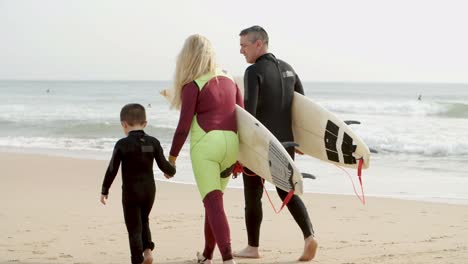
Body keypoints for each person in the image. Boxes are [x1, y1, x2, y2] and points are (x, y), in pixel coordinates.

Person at [236, 25, 318, 261]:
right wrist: (300, 142)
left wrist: (241, 150)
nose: (241, 51)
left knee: (252, 195)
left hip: (262, 144)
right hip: (286, 143)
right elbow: (303, 109)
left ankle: (252, 247)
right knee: (287, 192)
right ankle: (309, 236)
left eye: (244, 45)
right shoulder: (289, 69)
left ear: (258, 44)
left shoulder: (253, 72)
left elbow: (249, 115)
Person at [166, 34, 243, 264]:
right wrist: (241, 156)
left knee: (213, 203)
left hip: (206, 148)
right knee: (214, 203)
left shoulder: (192, 85)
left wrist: (171, 159)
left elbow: (183, 128)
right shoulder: (230, 79)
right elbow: (244, 118)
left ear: (187, 57)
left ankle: (228, 259)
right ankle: (207, 255)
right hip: (231, 146)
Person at [100, 103, 176, 264]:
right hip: (149, 191)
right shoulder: (153, 143)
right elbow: (165, 166)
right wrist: (172, 169)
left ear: (124, 124)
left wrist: (105, 190)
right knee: (144, 219)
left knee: (134, 226)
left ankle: (137, 260)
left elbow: (112, 169)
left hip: (131, 192)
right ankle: (147, 251)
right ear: (145, 123)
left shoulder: (122, 144)